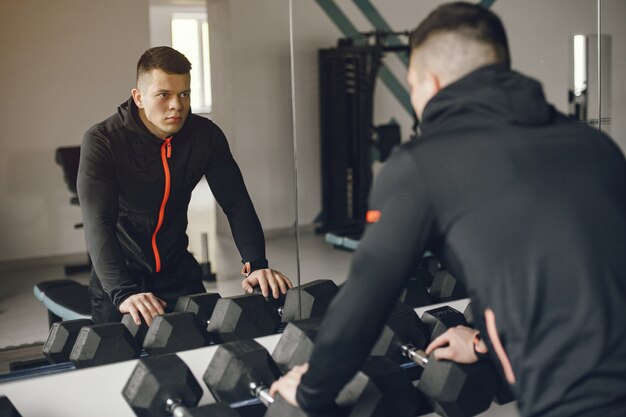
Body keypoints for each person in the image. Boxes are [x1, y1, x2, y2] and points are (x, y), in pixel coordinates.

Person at [270, 2, 626, 417]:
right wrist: (484, 343)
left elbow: (366, 300)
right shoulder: (595, 147)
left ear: (430, 83)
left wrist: (311, 389)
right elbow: (577, 283)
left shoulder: (423, 164)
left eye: (412, 87)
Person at [77, 46, 292, 326]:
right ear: (138, 97)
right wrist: (123, 292)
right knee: (122, 363)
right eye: (163, 95)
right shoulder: (104, 141)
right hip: (121, 277)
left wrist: (257, 263)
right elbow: (98, 221)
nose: (176, 105)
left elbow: (236, 202)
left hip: (178, 270)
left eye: (184, 94)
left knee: (207, 347)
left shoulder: (205, 136)